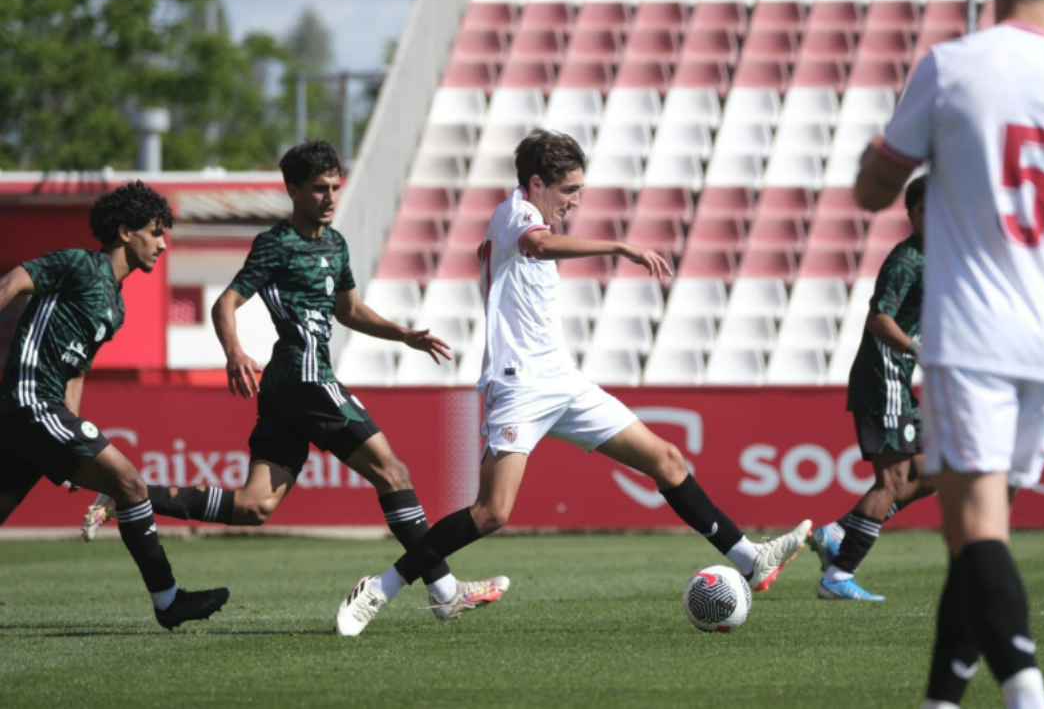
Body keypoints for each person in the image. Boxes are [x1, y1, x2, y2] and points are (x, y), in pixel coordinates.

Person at [332, 129, 812, 637]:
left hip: (562, 380)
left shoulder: (514, 221)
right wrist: (619, 245)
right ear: (537, 183)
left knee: (667, 460)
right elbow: (536, 246)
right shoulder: (516, 213)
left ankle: (748, 559)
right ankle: (379, 589)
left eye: (579, 190)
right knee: (492, 513)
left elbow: (505, 254)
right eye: (568, 190)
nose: (575, 200)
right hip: (519, 385)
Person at [82, 141, 506, 620]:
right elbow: (226, 303)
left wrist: (403, 334)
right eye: (320, 189)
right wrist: (234, 352)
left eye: (335, 188)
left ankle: (130, 496)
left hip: (285, 390)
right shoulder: (275, 243)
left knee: (253, 507)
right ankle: (444, 589)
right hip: (306, 378)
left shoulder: (336, 243)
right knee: (393, 473)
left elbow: (349, 311)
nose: (329, 198)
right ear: (293, 190)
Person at [853, 0, 1044, 705]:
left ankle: (1026, 692)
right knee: (979, 535)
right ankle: (940, 698)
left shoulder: (954, 66)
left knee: (974, 531)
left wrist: (877, 157)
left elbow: (875, 191)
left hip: (976, 327)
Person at [0, 181, 230, 630]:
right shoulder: (78, 264)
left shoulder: (114, 306)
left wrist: (71, 435)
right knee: (130, 484)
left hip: (41, 414)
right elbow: (10, 283)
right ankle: (169, 601)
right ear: (125, 231)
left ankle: (169, 601)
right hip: (29, 400)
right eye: (156, 232)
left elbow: (76, 371)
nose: (163, 244)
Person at [807, 176, 937, 601]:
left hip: (896, 378)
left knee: (931, 472)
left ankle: (838, 531)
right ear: (912, 213)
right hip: (883, 378)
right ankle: (839, 574)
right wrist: (918, 351)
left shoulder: (937, 257)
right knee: (893, 480)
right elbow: (879, 319)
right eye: (926, 209)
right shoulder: (908, 260)